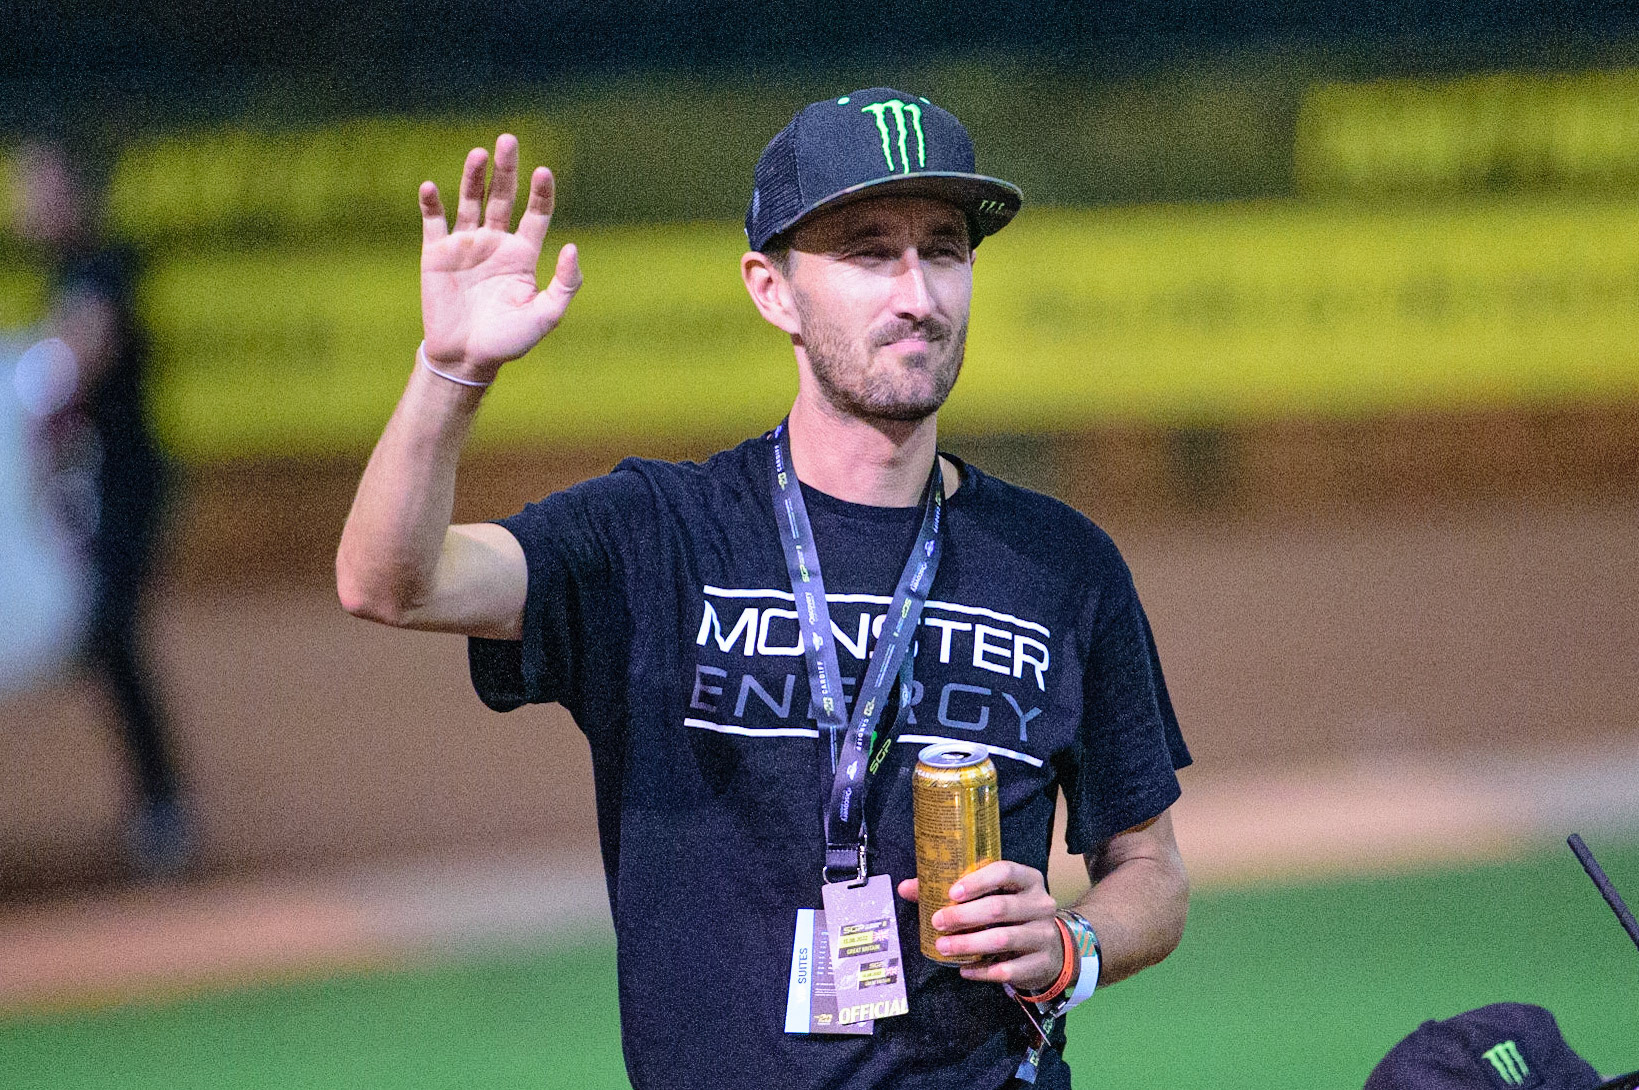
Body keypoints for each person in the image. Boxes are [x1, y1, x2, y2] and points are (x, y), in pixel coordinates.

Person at [338, 88, 1191, 1089]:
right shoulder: (656, 534)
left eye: (944, 250)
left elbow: (1150, 870)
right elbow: (392, 583)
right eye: (868, 253)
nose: (917, 293)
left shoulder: (1060, 563)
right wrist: (449, 372)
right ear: (771, 289)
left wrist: (1073, 947)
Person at [8, 132, 192, 875]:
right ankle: (160, 803)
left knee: (109, 631)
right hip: (85, 497)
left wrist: (20, 379)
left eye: (40, 186)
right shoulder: (63, 276)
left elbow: (73, 361)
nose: (26, 203)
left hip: (126, 492)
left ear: (76, 193)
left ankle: (165, 808)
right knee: (103, 639)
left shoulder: (104, 267)